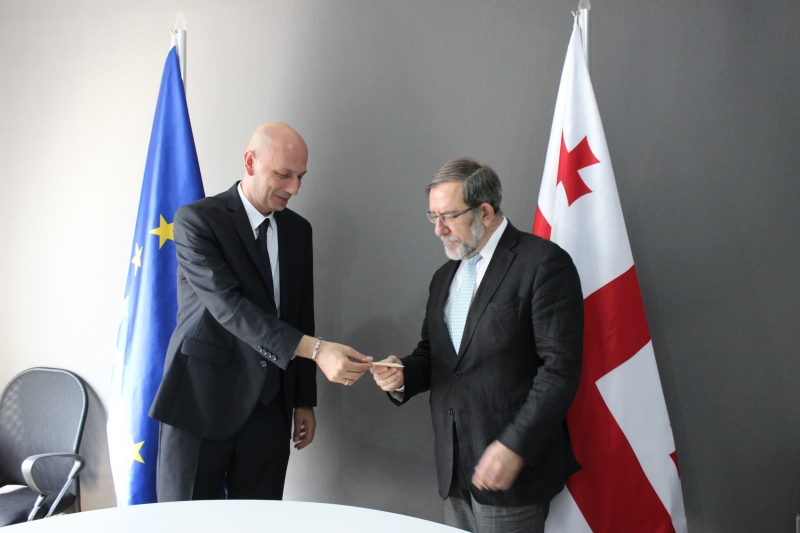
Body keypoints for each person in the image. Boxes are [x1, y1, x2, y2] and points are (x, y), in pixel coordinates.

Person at [150, 122, 372, 502]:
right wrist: (319, 351)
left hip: (269, 409)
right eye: (284, 174)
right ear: (250, 162)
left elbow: (300, 313)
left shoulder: (298, 231)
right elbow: (230, 308)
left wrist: (303, 399)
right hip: (200, 402)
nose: (294, 188)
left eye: (301, 177)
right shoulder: (197, 220)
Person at [371, 157, 583, 533]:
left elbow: (559, 370)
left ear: (484, 212)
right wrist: (402, 375)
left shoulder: (543, 264)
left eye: (448, 217)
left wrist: (514, 446)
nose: (438, 230)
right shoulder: (443, 277)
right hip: (453, 470)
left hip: (512, 472)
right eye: (433, 217)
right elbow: (435, 356)